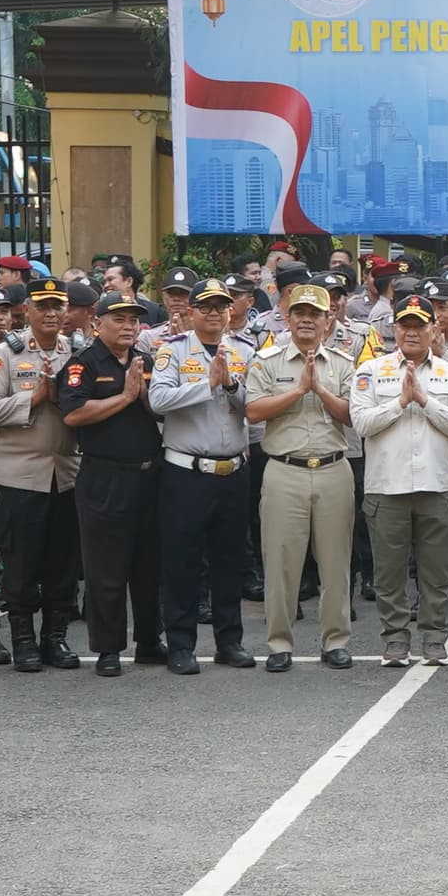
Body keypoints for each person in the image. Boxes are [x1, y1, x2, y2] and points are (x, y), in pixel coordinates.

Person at [244, 280, 364, 670]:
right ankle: (279, 644)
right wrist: (297, 391)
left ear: (328, 321)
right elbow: (254, 411)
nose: (307, 321)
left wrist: (320, 391)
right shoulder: (267, 361)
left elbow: (353, 417)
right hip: (284, 470)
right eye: (300, 314)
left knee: (335, 562)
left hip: (332, 468)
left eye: (316, 314)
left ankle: (336, 640)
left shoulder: (344, 364)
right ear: (288, 318)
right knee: (280, 560)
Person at [351, 296, 448, 665]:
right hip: (387, 487)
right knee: (388, 573)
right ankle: (394, 641)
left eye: (420, 325)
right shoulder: (370, 371)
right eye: (405, 325)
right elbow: (362, 424)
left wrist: (425, 400)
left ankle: (434, 639)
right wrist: (400, 402)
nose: (412, 332)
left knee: (438, 572)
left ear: (434, 329)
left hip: (439, 484)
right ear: (395, 330)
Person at [143, 278, 254, 673]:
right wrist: (205, 384)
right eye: (205, 306)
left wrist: (230, 382)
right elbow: (158, 400)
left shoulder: (245, 350)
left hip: (233, 470)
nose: (213, 312)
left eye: (220, 306)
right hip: (186, 472)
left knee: (229, 560)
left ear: (230, 311)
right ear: (189, 311)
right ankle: (181, 644)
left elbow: (253, 407)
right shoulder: (172, 351)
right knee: (182, 560)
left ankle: (230, 641)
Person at [0, 278, 83, 671]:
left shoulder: (78, 352)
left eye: (59, 306)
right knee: (21, 562)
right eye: (44, 306)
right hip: (21, 474)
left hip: (66, 472)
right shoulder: (8, 353)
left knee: (62, 561)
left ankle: (54, 637)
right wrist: (33, 398)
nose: (52, 314)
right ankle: (22, 638)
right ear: (28, 311)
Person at [54, 293, 162, 674]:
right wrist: (125, 395)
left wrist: (144, 395)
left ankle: (150, 640)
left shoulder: (145, 361)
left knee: (150, 565)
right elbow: (75, 413)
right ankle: (109, 649)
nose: (129, 325)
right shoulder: (82, 365)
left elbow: (159, 412)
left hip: (149, 474)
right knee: (106, 569)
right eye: (120, 319)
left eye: (134, 319)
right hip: (105, 476)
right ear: (97, 324)